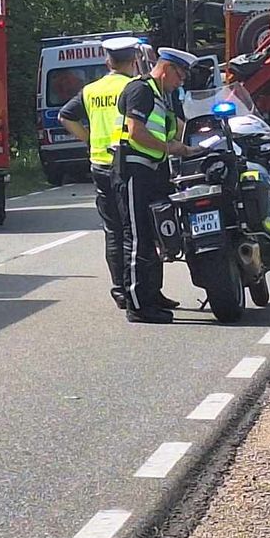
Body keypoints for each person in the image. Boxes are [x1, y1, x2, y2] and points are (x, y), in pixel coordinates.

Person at [58, 36, 146, 310]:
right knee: (135, 230)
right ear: (134, 60)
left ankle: (119, 289)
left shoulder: (91, 90)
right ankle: (138, 290)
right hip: (129, 163)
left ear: (107, 61)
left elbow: (65, 115)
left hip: (99, 164)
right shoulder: (135, 87)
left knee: (113, 231)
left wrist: (89, 139)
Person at [116, 47, 197, 323]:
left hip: (154, 171)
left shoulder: (162, 96)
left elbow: (175, 127)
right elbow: (136, 131)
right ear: (166, 69)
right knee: (138, 238)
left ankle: (153, 294)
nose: (181, 81)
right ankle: (138, 305)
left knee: (155, 237)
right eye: (180, 75)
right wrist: (171, 148)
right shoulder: (141, 90)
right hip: (135, 172)